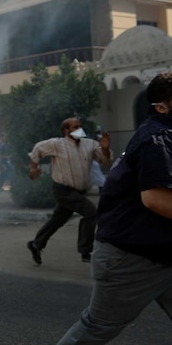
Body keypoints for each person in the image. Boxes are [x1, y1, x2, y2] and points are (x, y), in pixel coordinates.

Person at [57, 72, 172, 343]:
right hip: (133, 258)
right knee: (96, 328)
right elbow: (156, 199)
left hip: (160, 250)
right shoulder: (158, 139)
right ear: (161, 106)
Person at [26, 117, 111, 265]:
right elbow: (38, 148)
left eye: (80, 126)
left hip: (79, 191)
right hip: (63, 190)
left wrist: (104, 148)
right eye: (75, 127)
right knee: (91, 212)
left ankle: (36, 244)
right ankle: (86, 251)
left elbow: (105, 161)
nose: (79, 129)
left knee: (58, 220)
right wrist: (34, 167)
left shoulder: (90, 144)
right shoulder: (57, 144)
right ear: (66, 131)